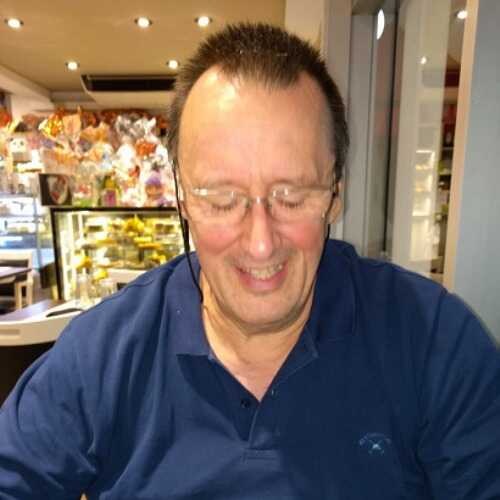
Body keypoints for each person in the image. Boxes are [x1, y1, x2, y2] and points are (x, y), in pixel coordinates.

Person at [1, 22, 499, 500]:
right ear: (182, 200)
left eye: (292, 196)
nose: (261, 244)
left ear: (334, 196)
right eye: (221, 199)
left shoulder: (435, 341)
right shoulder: (102, 355)